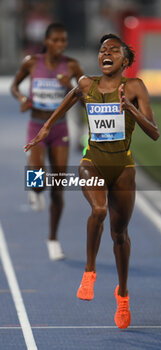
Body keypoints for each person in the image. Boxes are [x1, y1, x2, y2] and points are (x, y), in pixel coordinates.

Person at [24, 33, 160, 328]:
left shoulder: (134, 87)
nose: (106, 53)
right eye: (102, 50)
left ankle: (122, 294)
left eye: (113, 50)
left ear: (125, 60)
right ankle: (89, 271)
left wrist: (132, 110)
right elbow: (71, 97)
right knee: (97, 210)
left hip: (123, 166)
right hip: (92, 162)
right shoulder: (86, 83)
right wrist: (46, 127)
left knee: (119, 235)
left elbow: (155, 132)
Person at [11, 23, 83, 260]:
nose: (60, 45)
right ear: (46, 41)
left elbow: (87, 99)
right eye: (56, 40)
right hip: (36, 125)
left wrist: (69, 87)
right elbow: (14, 85)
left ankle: (52, 239)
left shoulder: (72, 66)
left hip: (59, 128)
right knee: (39, 179)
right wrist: (22, 97)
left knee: (59, 188)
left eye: (63, 41)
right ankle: (34, 182)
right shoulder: (32, 62)